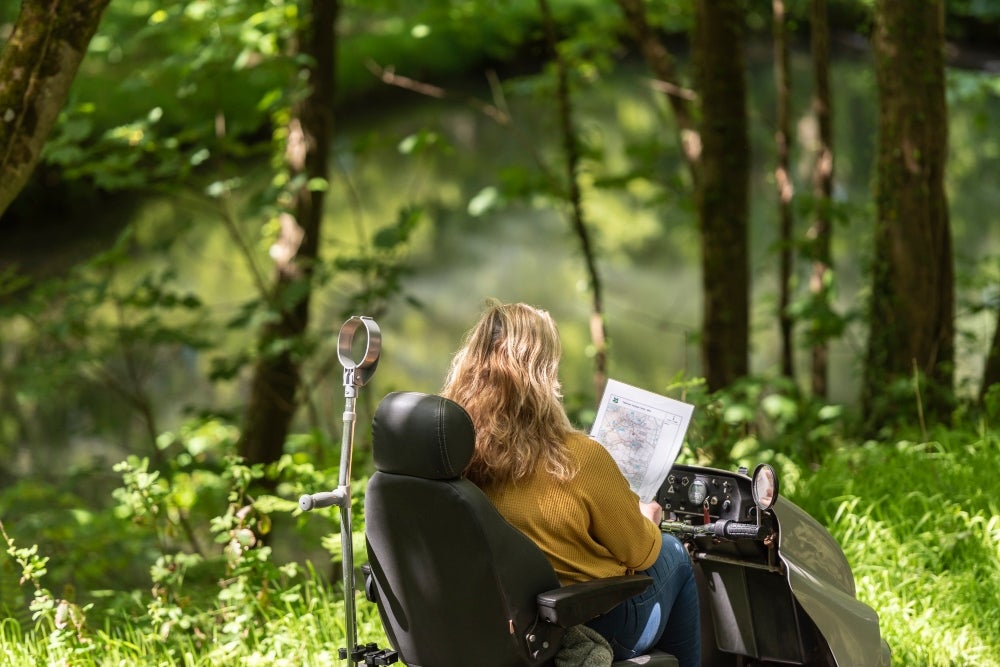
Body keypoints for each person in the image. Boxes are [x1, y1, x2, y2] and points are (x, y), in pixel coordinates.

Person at [441, 300, 701, 666]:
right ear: (543, 374)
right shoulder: (578, 458)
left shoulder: (456, 453)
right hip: (581, 624)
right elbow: (641, 553)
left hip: (502, 626)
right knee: (673, 553)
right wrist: (648, 518)